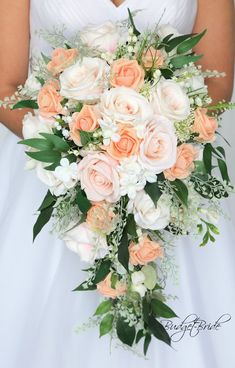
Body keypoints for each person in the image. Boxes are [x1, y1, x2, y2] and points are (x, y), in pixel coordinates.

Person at [0, 1, 234, 367]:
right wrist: (80, 151)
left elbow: (215, 90)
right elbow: (5, 84)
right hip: (49, 174)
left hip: (166, 176)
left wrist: (141, 156)